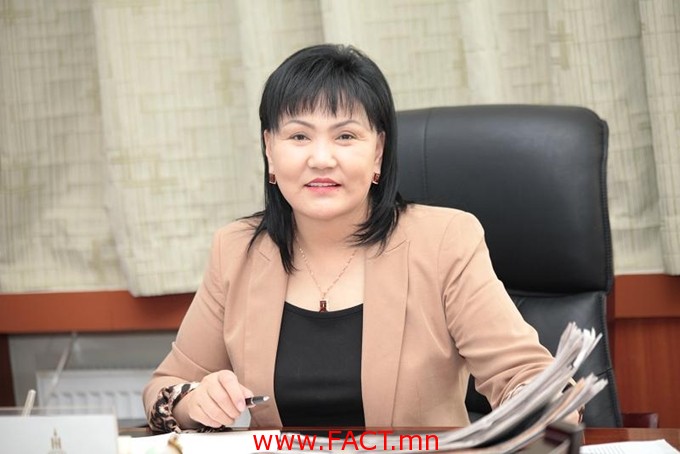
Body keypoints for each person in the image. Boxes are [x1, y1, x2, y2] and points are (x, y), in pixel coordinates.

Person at [143, 43, 561, 433]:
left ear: (378, 151)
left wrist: (532, 409)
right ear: (269, 150)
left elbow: (526, 376)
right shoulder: (237, 251)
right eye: (299, 136)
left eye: (345, 136)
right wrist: (194, 400)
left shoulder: (444, 241)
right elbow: (165, 386)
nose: (321, 159)